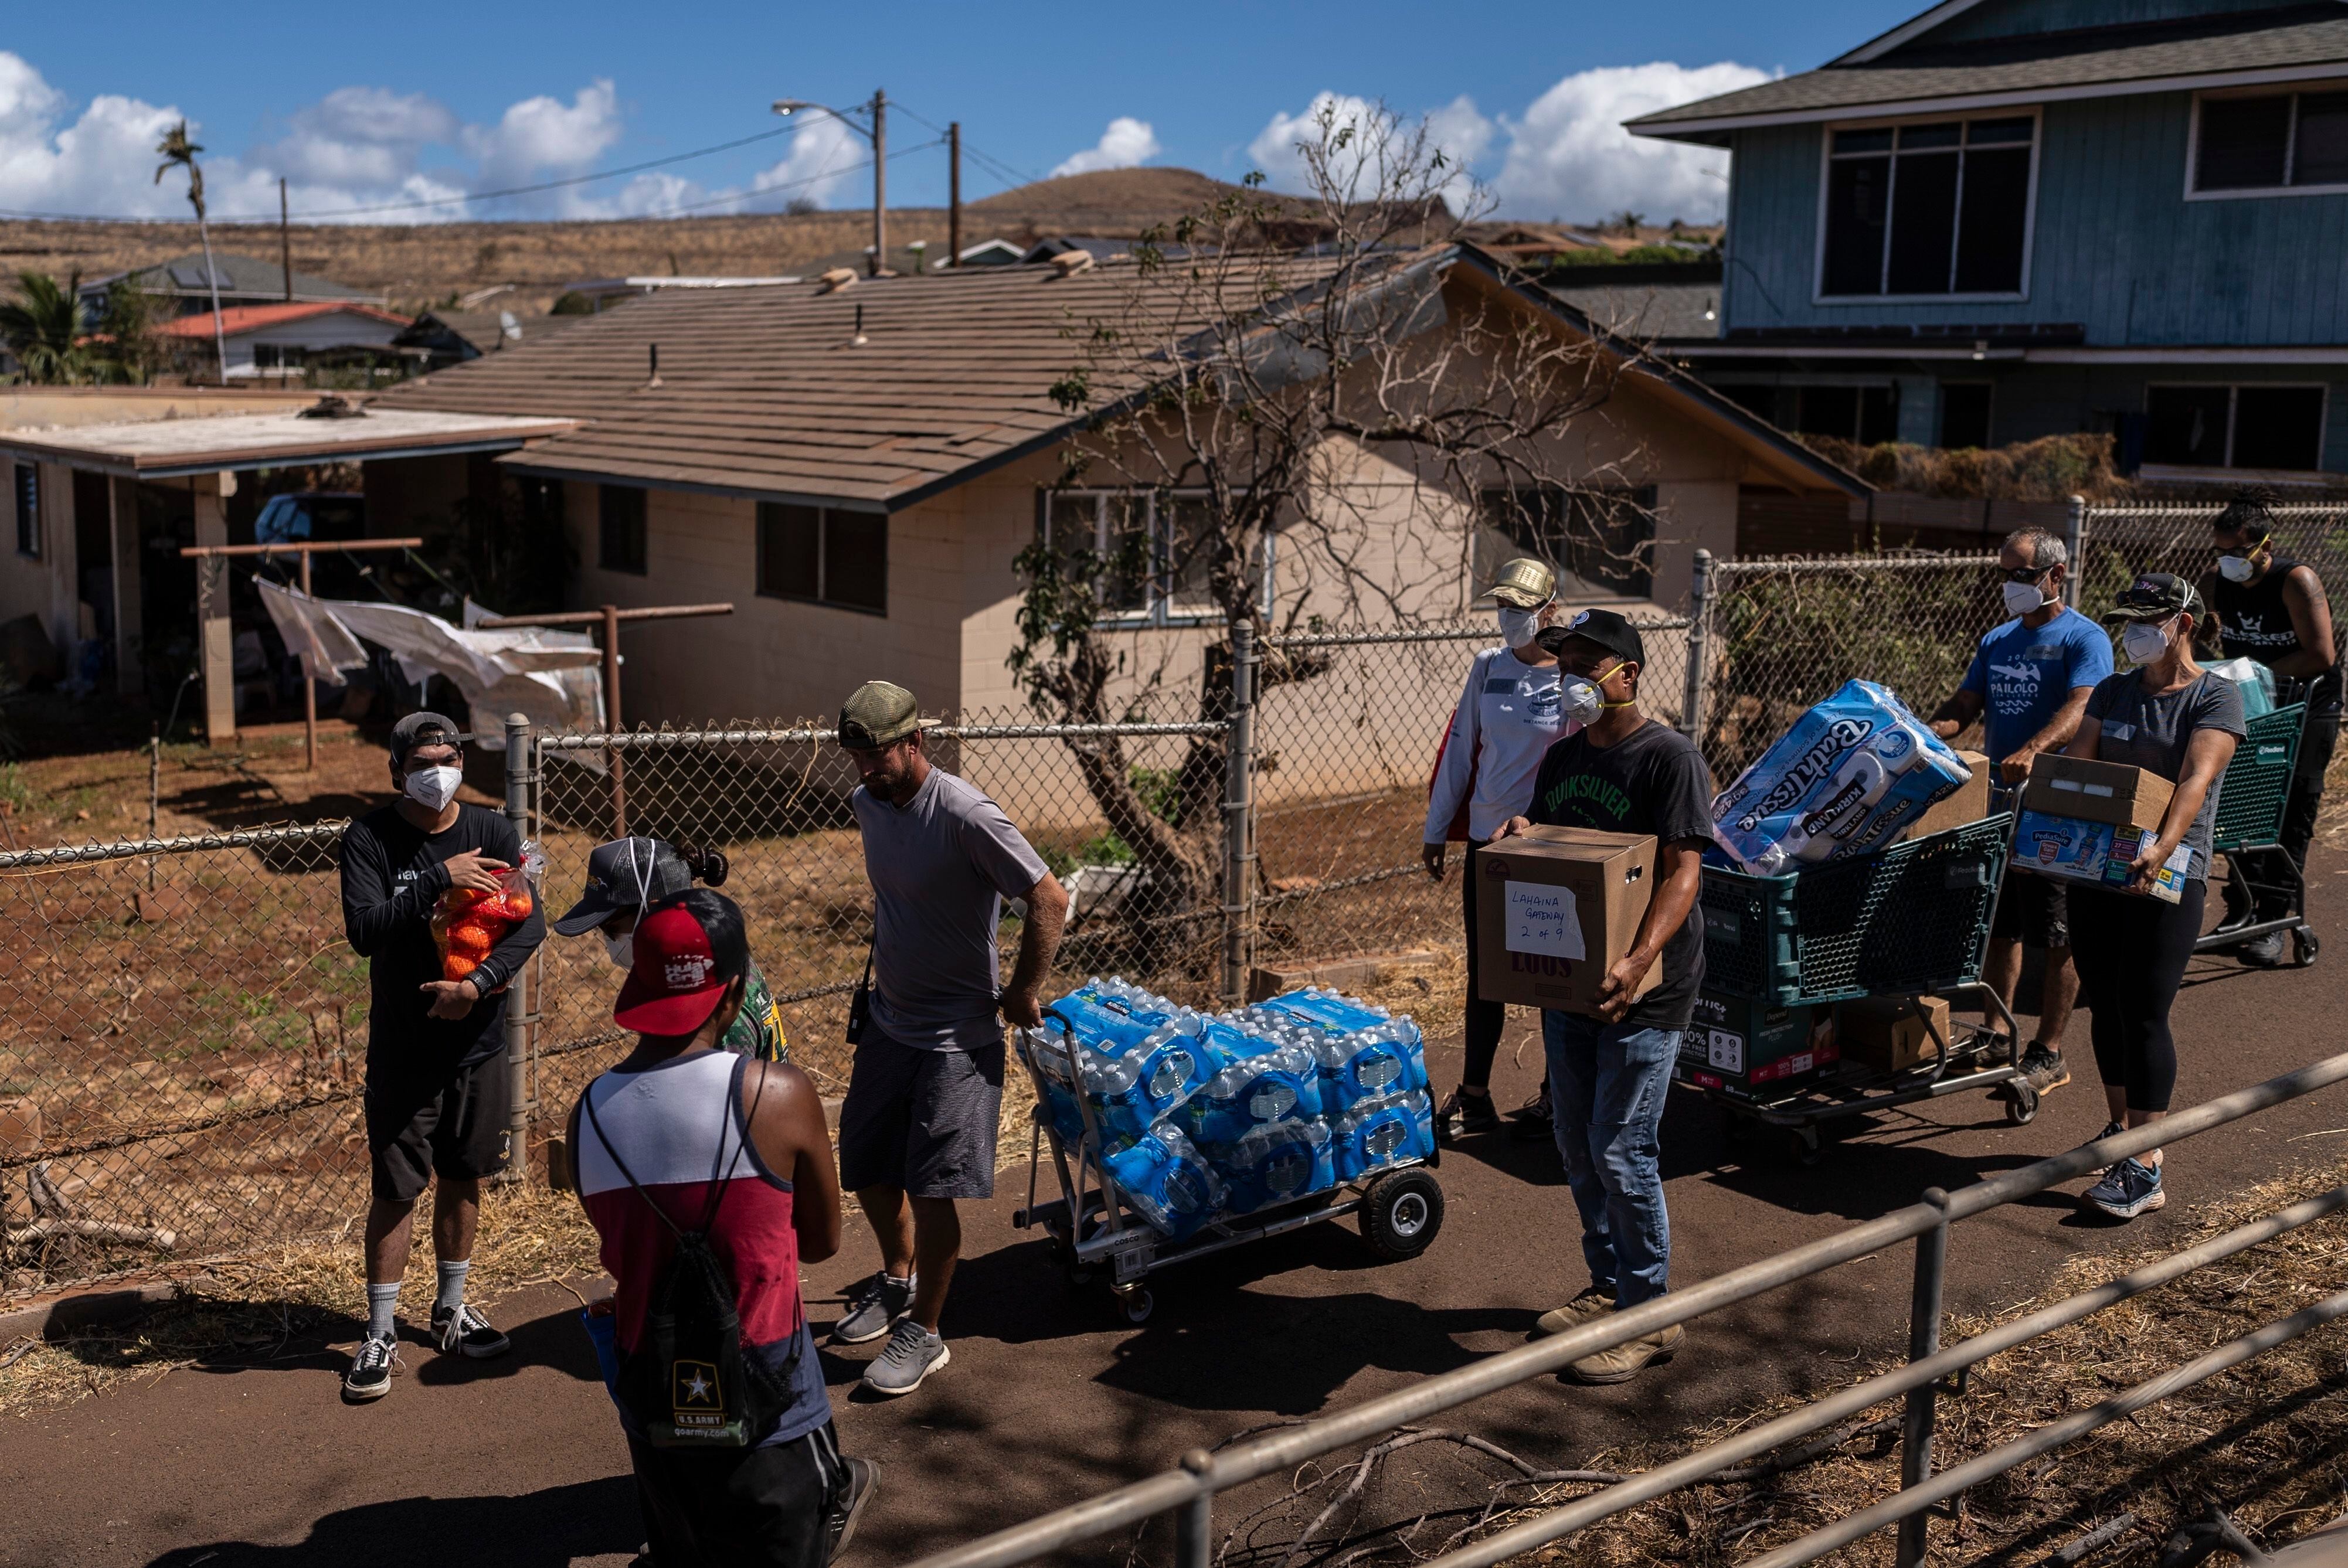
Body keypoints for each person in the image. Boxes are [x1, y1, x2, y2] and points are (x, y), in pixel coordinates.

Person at [570, 891, 875, 1567]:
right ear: (735, 996)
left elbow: (619, 1243)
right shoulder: (780, 1094)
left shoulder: (586, 1113)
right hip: (770, 1393)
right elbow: (821, 1241)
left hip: (651, 1388)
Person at [1491, 608, 1712, 1385]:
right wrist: (1526, 830)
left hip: (1645, 989)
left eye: (1588, 662)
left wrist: (1638, 956)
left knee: (1623, 1147)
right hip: (1573, 983)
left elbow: (1684, 870)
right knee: (1576, 1144)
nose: (1573, 677)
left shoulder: (1668, 757)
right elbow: (1559, 852)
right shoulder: (1561, 759)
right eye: (1566, 663)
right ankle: (1607, 1282)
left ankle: (1649, 1314)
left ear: (1628, 672)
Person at [831, 681, 1069, 1396]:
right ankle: (898, 1276)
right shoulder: (868, 804)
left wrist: (1021, 989)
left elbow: (1049, 898)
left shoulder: (965, 813)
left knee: (933, 1190)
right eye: (857, 758)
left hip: (956, 1039)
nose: (867, 771)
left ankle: (927, 1331)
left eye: (878, 756)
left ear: (916, 743)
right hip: (888, 1020)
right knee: (867, 1164)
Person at [337, 711, 545, 1402]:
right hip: (404, 1048)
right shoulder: (369, 838)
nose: (439, 770)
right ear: (398, 769)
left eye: (449, 757)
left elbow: (530, 919)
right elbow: (365, 931)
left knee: (463, 1176)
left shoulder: (491, 828)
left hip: (478, 1040)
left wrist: (477, 984)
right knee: (396, 1190)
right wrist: (435, 877)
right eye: (425, 760)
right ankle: (379, 1330)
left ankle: (451, 1308)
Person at [2064, 575, 2243, 1221]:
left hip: (2169, 872)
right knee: (2103, 999)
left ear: (2183, 624)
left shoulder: (2214, 697)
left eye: (2147, 621)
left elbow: (2196, 777)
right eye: (2128, 621)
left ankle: (2148, 1162)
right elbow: (2080, 766)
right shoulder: (2113, 690)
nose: (2133, 632)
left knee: (2143, 1008)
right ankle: (2123, 1132)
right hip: (2096, 867)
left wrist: (2163, 846)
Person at [1929, 528, 2112, 1091]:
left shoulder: (2084, 639)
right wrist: (1927, 732)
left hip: (2054, 806)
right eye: (2005, 574)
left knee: (2055, 931)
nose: (2010, 585)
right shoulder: (1997, 640)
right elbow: (1966, 703)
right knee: (2000, 923)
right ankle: (1993, 1032)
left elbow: (2083, 706)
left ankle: (2048, 1050)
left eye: (2022, 575)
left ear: (2055, 577)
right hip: (1999, 803)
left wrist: (2033, 749)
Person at [1423, 557, 1572, 1142]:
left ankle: (1559, 1093)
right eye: (1503, 607)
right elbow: (1461, 748)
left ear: (1549, 611)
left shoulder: (1571, 678)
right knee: (1486, 972)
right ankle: (1476, 1095)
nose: (1509, 618)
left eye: (1521, 608)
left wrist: (1540, 821)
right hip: (1488, 843)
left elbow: (1580, 761)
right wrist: (1437, 829)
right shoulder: (1487, 668)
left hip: (1545, 845)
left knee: (1554, 973)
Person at [2197, 488, 2340, 966]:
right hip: (2247, 703)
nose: (2227, 560)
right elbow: (2206, 632)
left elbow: (2321, 655)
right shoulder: (2217, 580)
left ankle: (2275, 913)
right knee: (2239, 801)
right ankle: (2240, 906)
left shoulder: (2295, 580)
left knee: (2292, 805)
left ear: (2265, 546)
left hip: (2303, 705)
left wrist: (2258, 672)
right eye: (2220, 551)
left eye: (2238, 551)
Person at [554, 836, 791, 1062]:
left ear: (654, 910)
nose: (607, 939)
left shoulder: (710, 999)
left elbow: (731, 1099)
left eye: (611, 927)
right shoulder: (704, 961)